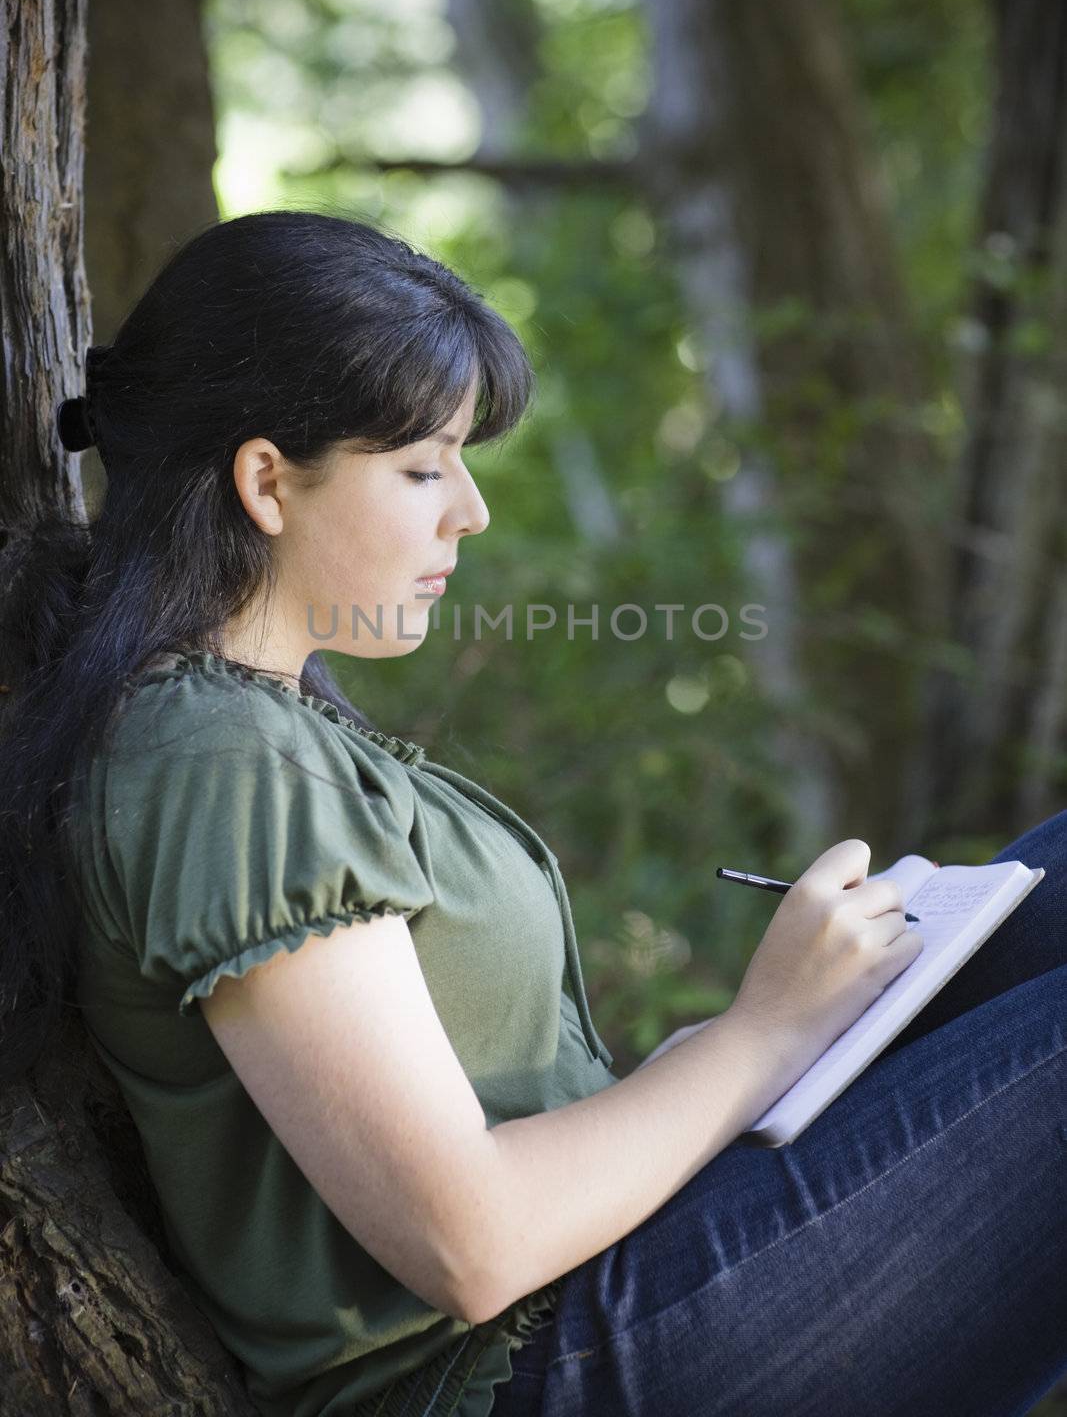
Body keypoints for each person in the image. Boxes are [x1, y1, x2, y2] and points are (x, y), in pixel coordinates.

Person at [1, 209, 1063, 1417]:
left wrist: (717, 1060)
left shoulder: (266, 730)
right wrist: (760, 1031)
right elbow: (470, 1246)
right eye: (419, 468)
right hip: (531, 1370)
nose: (468, 511)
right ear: (265, 481)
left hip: (605, 1281)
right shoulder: (222, 764)